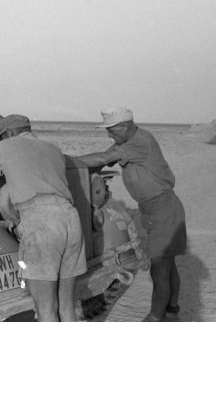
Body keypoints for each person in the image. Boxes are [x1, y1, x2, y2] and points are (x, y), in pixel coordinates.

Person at [74, 106, 187, 322]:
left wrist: (63, 161)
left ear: (124, 126)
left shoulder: (139, 142)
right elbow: (104, 160)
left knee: (159, 269)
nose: (109, 134)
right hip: (158, 209)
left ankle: (154, 317)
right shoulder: (126, 141)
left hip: (163, 209)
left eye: (112, 130)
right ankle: (172, 309)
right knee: (168, 265)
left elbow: (100, 158)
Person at [0, 115, 86, 322]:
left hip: (42, 224)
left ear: (8, 134)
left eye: (1, 137)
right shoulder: (53, 149)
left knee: (45, 309)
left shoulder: (5, 147)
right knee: (67, 307)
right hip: (71, 219)